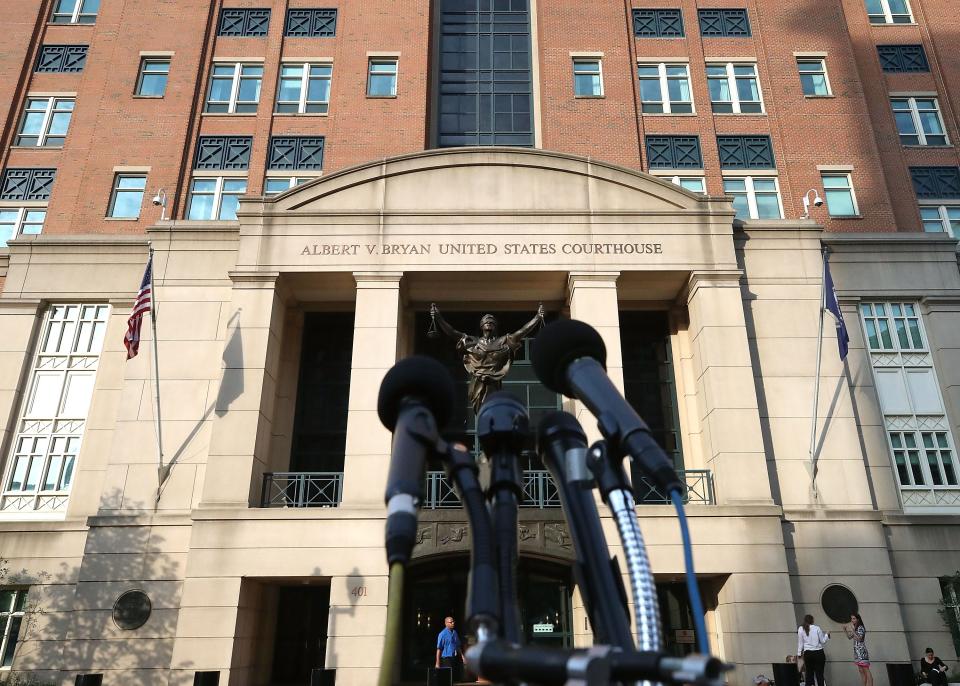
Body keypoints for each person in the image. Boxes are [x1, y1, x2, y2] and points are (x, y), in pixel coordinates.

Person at [430, 303, 544, 413]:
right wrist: (439, 317)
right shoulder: (473, 342)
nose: (489, 321)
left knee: (494, 409)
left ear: (495, 326)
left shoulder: (503, 341)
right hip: (477, 382)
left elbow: (522, 332)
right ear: (481, 326)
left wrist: (537, 318)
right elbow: (452, 332)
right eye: (486, 321)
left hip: (494, 382)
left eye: (492, 321)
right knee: (481, 411)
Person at [797, 613, 830, 686]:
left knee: (809, 674)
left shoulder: (800, 629)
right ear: (812, 621)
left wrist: (799, 654)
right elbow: (823, 641)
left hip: (808, 654)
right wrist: (827, 634)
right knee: (819, 675)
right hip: (819, 653)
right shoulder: (817, 628)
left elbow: (800, 643)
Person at [842, 613, 874, 686]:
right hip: (857, 653)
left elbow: (859, 639)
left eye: (854, 618)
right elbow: (849, 637)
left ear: (858, 619)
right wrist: (845, 630)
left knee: (866, 670)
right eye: (851, 618)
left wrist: (853, 630)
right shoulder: (856, 627)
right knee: (861, 670)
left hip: (862, 652)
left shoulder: (861, 627)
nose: (852, 620)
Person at [435, 615, 466, 681]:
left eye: (453, 622)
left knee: (454, 677)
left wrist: (463, 657)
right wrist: (437, 663)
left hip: (454, 657)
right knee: (447, 677)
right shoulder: (442, 634)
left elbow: (458, 646)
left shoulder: (455, 633)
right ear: (446, 623)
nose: (453, 623)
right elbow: (439, 649)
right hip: (446, 658)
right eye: (451, 622)